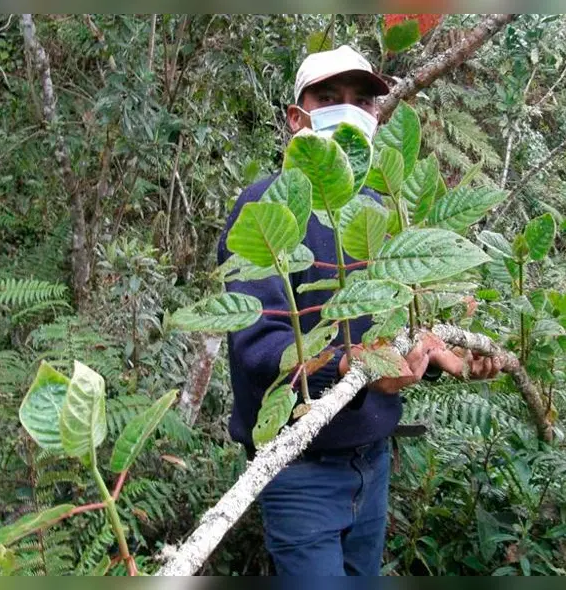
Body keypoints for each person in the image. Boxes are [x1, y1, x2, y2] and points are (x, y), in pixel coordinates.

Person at [215, 44, 501, 576]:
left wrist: (442, 361)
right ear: (297, 117)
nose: (348, 110)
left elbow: (386, 333)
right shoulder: (265, 207)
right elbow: (257, 348)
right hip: (298, 470)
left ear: (376, 116)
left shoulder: (377, 211)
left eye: (362, 101)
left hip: (373, 461)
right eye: (329, 97)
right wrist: (357, 368)